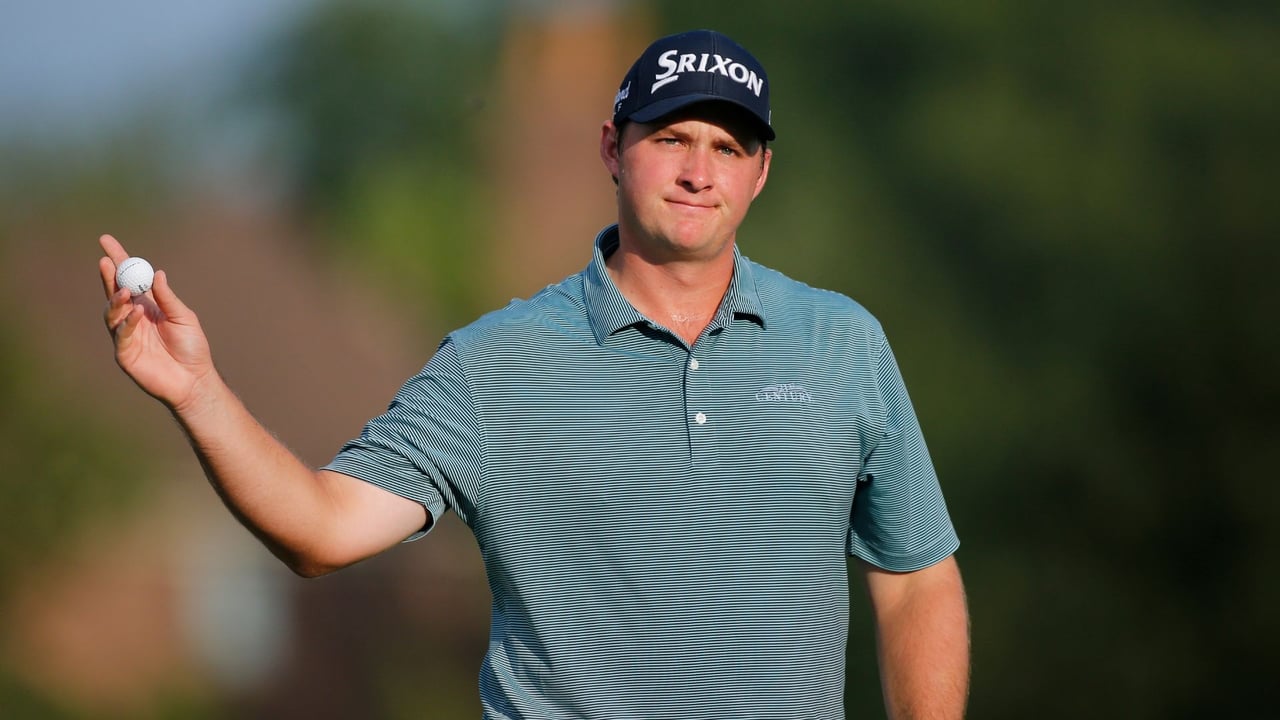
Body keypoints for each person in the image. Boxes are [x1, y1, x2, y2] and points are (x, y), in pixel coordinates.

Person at [100, 29, 968, 720]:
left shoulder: (842, 343)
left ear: (761, 170)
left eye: (729, 146)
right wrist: (198, 393)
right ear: (612, 148)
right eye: (670, 138)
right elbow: (320, 531)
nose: (701, 171)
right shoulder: (494, 363)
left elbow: (917, 577)